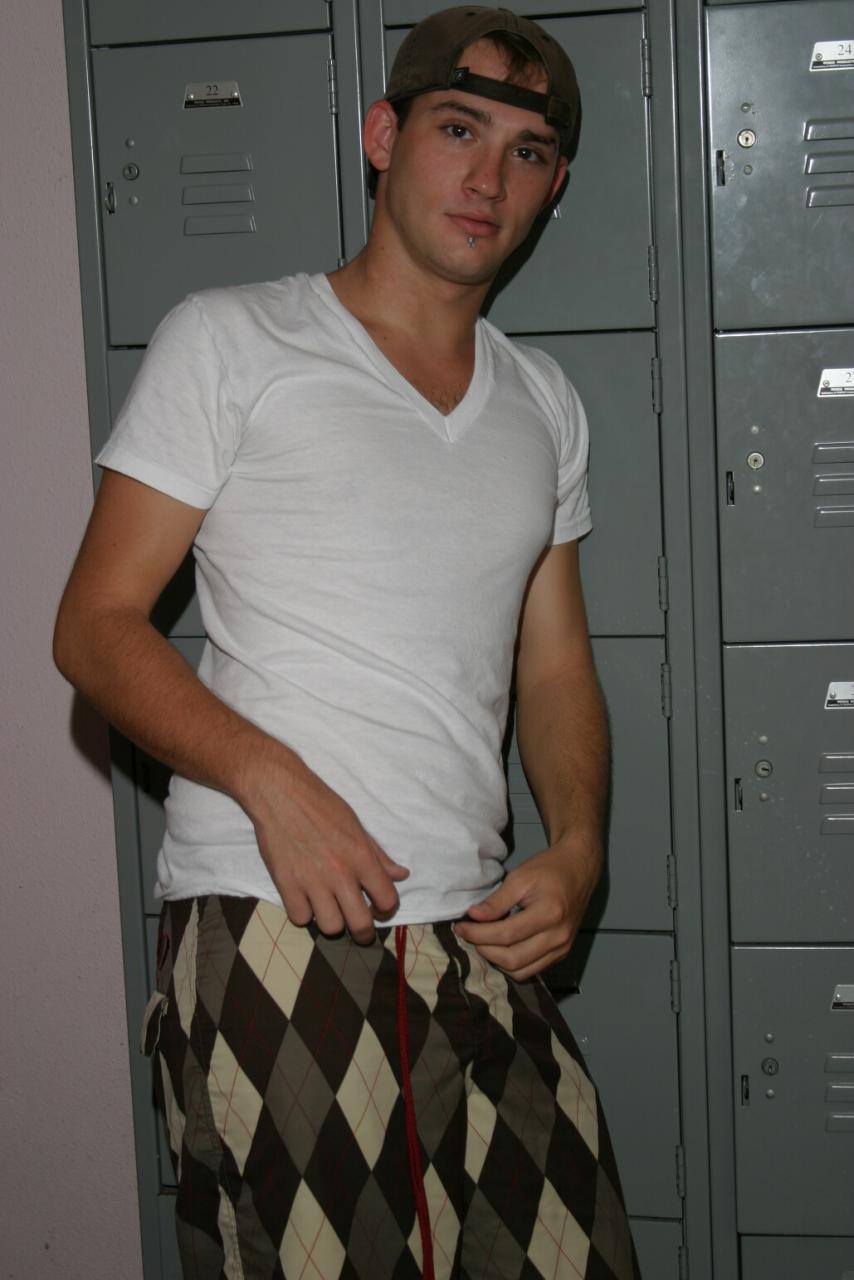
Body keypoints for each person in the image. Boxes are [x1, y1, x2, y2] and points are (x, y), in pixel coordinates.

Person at [54, 7, 639, 1277]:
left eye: (528, 153)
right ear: (383, 136)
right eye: (457, 129)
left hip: (477, 933)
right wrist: (271, 781)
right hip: (275, 921)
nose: (487, 178)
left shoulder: (542, 401)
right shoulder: (233, 339)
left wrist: (580, 845)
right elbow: (94, 626)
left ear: (552, 189)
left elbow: (553, 666)